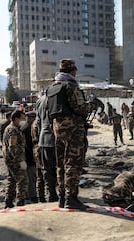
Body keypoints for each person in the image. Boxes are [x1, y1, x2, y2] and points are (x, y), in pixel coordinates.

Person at [47, 59, 97, 210]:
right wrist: (93, 104)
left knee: (61, 164)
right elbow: (80, 108)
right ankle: (71, 198)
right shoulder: (70, 85)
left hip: (57, 129)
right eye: (75, 69)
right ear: (72, 70)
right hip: (73, 130)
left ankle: (62, 197)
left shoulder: (52, 87)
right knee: (73, 163)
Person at [2, 110, 28, 208]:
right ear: (16, 119)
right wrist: (20, 160)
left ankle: (8, 202)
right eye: (22, 118)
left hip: (10, 159)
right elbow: (13, 147)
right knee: (22, 180)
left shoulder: (14, 128)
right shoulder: (13, 130)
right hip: (14, 160)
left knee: (12, 180)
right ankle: (20, 202)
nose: (24, 120)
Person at [35, 95, 58, 202]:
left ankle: (51, 193)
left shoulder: (40, 100)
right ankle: (62, 194)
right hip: (56, 138)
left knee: (47, 169)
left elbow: (38, 122)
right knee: (61, 168)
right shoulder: (57, 97)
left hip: (43, 139)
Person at [21, 111, 38, 203]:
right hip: (29, 157)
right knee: (31, 178)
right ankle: (32, 196)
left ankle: (28, 195)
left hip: (27, 157)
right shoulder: (28, 129)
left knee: (29, 177)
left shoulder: (24, 127)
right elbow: (30, 144)